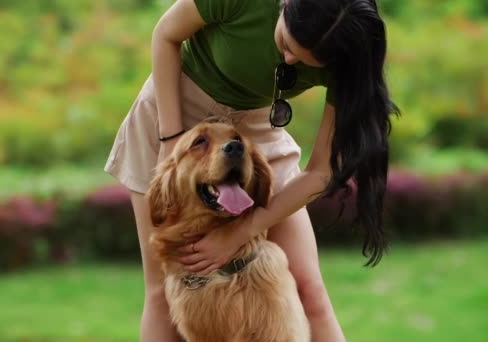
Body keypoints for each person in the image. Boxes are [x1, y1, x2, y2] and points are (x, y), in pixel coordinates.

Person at [104, 0, 399, 340]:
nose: (288, 61)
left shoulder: (347, 53)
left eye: (307, 63)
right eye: (288, 45)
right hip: (173, 115)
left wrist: (243, 230)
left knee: (309, 289)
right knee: (162, 293)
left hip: (253, 135)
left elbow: (321, 172)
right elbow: (165, 34)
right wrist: (171, 141)